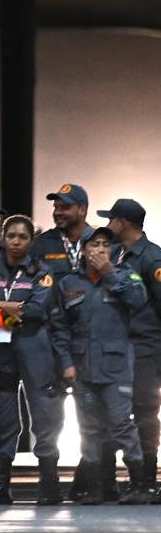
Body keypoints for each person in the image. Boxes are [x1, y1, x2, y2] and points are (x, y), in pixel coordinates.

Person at [0, 214, 62, 504]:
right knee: (1, 420)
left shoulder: (42, 272)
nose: (16, 242)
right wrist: (4, 306)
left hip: (35, 351)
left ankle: (49, 485)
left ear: (31, 241)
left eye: (23, 237)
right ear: (3, 238)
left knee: (45, 416)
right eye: (11, 236)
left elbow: (35, 312)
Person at [51, 225, 148, 504]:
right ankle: (94, 488)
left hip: (116, 368)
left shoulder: (125, 276)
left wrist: (109, 272)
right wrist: (66, 363)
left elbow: (137, 300)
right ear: (82, 251)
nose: (100, 249)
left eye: (106, 244)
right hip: (82, 368)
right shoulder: (69, 284)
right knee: (89, 428)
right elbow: (59, 328)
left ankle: (140, 485)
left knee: (121, 425)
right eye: (94, 245)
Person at [103, 198, 161, 504]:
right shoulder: (116, 254)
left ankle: (147, 481)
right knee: (120, 414)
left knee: (145, 412)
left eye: (111, 219)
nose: (109, 225)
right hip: (120, 346)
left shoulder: (152, 258)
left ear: (122, 223)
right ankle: (132, 479)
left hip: (146, 347)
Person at [31, 183, 92, 277]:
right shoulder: (39, 244)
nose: (57, 212)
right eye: (55, 207)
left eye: (65, 207)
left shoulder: (100, 241)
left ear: (82, 210)